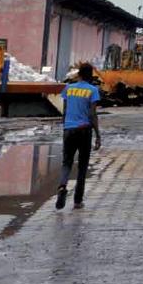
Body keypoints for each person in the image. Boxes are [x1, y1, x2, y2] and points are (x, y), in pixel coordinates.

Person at [56, 63, 101, 210]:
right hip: (84, 131)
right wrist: (98, 134)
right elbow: (92, 114)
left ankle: (62, 187)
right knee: (82, 166)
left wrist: (66, 124)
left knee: (66, 162)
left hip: (68, 129)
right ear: (90, 76)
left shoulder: (69, 88)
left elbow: (65, 109)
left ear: (79, 74)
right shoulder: (92, 90)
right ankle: (77, 201)